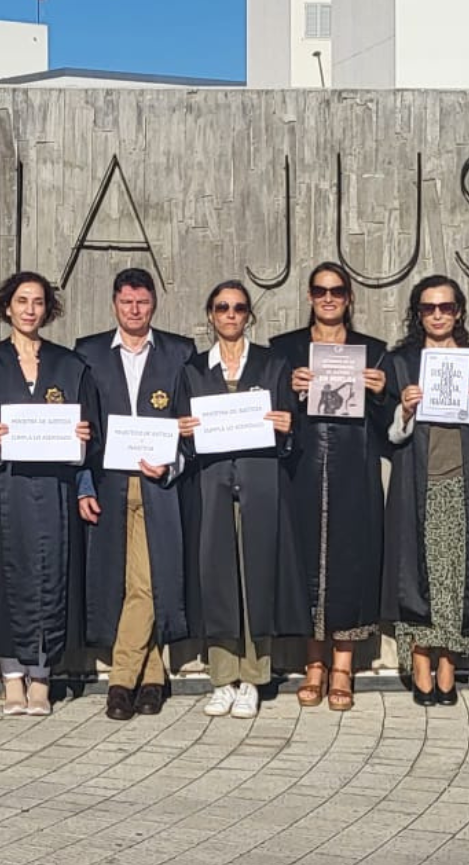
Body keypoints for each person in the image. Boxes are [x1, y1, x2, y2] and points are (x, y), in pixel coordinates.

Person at [0, 271, 101, 717]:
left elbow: (91, 433)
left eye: (38, 302)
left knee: (51, 573)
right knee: (5, 575)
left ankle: (42, 676)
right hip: (3, 487)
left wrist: (82, 435)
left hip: (54, 490)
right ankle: (11, 677)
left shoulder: (70, 365)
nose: (29, 309)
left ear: (48, 310)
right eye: (21, 301)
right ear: (7, 307)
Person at [73, 268, 196, 721]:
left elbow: (189, 425)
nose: (134, 310)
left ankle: (120, 681)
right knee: (120, 583)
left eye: (142, 302)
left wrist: (173, 463)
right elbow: (81, 424)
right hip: (108, 482)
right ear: (114, 304)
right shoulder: (87, 354)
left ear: (153, 305)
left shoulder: (180, 353)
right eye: (126, 302)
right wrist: (82, 483)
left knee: (146, 582)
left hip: (158, 484)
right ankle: (153, 677)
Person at [270, 262, 390, 712]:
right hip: (301, 471)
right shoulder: (284, 351)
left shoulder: (374, 352)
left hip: (354, 472)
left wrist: (381, 393)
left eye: (337, 291)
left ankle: (343, 666)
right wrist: (288, 391)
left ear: (349, 297)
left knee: (350, 566)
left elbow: (391, 430)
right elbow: (271, 416)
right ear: (308, 296)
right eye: (320, 291)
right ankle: (313, 664)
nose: (328, 298)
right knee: (304, 564)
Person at [183, 280, 305, 720]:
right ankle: (222, 678)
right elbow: (186, 441)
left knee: (257, 576)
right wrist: (186, 435)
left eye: (238, 308)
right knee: (217, 579)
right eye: (222, 307)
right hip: (212, 483)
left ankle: (253, 678)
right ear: (211, 315)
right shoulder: (194, 370)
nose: (230, 315)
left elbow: (293, 433)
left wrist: (288, 425)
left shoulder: (273, 365)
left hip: (260, 481)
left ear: (248, 315)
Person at [382, 276, 469, 706]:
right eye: (429, 308)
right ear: (418, 313)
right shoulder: (400, 364)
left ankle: (447, 664)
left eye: (445, 307)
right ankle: (419, 663)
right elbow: (389, 437)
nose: (437, 315)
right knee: (418, 574)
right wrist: (404, 410)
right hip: (417, 481)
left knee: (453, 578)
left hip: (459, 480)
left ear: (459, 312)